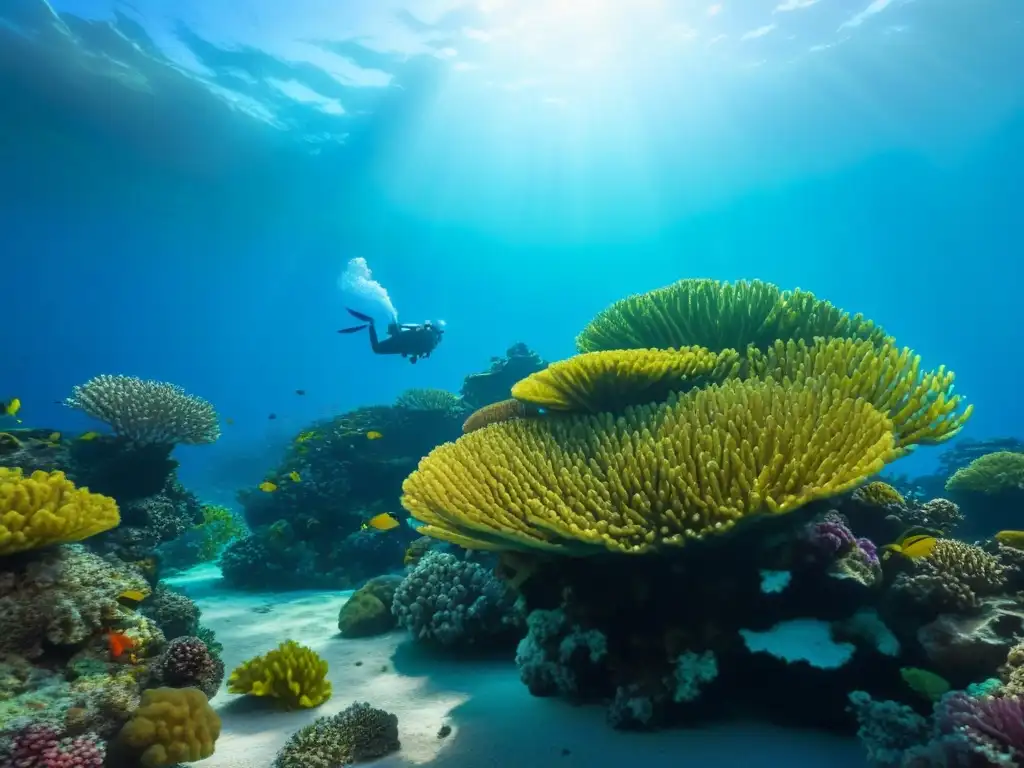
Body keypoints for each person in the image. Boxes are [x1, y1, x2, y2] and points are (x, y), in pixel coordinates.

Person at [337, 308, 444, 363]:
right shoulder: (430, 341)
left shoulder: (427, 334)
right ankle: (371, 324)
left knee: (377, 349)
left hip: (401, 341)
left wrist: (399, 327)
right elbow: (417, 344)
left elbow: (413, 330)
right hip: (401, 342)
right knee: (377, 349)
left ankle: (371, 324)